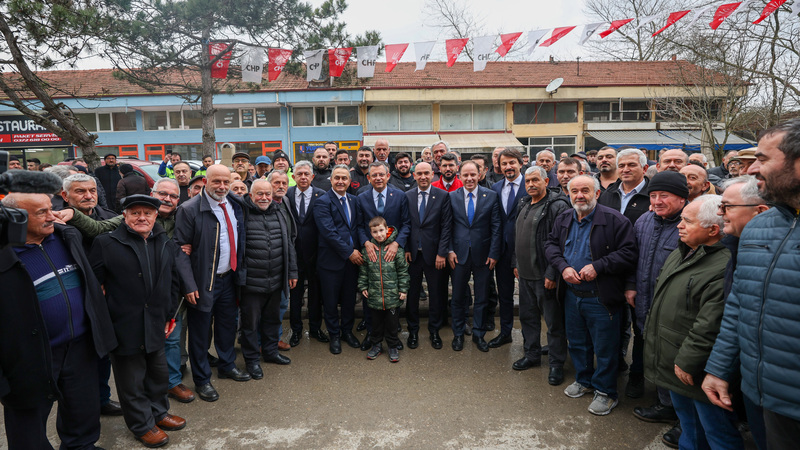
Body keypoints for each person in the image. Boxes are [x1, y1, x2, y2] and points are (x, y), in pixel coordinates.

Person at [703, 121, 800, 450]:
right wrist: (718, 368)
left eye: (763, 159)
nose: (752, 168)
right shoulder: (758, 229)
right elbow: (740, 306)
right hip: (761, 396)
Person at [0, 192, 117, 449]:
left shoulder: (67, 238)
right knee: (28, 422)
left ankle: (81, 445)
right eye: (41, 212)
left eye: (50, 208)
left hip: (80, 347)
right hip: (30, 357)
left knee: (82, 409)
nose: (51, 215)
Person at [90, 194, 190, 448]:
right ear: (124, 216)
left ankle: (158, 413)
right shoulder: (106, 243)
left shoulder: (164, 242)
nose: (142, 218)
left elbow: (172, 282)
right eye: (135, 213)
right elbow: (94, 285)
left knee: (158, 375)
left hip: (157, 321)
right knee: (131, 381)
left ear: (156, 216)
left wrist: (170, 315)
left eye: (147, 213)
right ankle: (142, 425)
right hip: (124, 324)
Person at [643, 195, 741, 450]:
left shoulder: (723, 266)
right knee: (690, 427)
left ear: (713, 230)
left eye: (687, 220)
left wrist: (688, 361)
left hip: (698, 370)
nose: (679, 225)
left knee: (717, 433)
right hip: (677, 363)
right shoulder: (684, 251)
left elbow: (711, 324)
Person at [544, 175, 637, 416]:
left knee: (605, 347)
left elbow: (629, 253)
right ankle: (584, 381)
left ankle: (606, 392)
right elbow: (551, 245)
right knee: (577, 343)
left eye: (585, 190)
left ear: (597, 193)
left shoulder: (615, 220)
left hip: (601, 296)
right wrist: (563, 267)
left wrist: (599, 266)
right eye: (574, 191)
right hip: (573, 294)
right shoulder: (564, 217)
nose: (579, 196)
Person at [174, 164, 250, 402]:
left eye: (226, 182)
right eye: (216, 181)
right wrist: (189, 285)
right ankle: (202, 379)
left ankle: (227, 365)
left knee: (227, 326)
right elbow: (180, 251)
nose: (222, 186)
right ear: (205, 182)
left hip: (229, 279)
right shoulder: (189, 209)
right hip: (203, 282)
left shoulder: (235, 204)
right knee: (199, 333)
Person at [511, 166, 570, 384]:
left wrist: (552, 273)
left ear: (546, 181)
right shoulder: (525, 203)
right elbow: (518, 235)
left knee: (554, 323)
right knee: (528, 318)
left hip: (545, 276)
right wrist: (515, 263)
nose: (531, 185)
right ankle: (532, 355)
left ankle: (556, 364)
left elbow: (561, 242)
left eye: (535, 180)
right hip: (524, 275)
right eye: (527, 181)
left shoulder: (557, 206)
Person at [239, 179, 298, 377]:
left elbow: (288, 244)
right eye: (259, 194)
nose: (264, 198)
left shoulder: (279, 212)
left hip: (276, 280)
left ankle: (271, 352)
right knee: (250, 325)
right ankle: (252, 360)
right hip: (252, 284)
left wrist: (292, 272)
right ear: (251, 195)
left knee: (273, 321)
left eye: (267, 194)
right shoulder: (243, 214)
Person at [356, 161, 411, 349]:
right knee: (371, 296)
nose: (378, 178)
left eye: (382, 174)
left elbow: (406, 224)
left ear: (388, 176)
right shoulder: (361, 197)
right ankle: (372, 335)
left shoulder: (400, 196)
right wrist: (366, 243)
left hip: (392, 252)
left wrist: (396, 244)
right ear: (369, 177)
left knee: (392, 297)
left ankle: (392, 337)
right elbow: (358, 224)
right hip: (371, 252)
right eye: (374, 175)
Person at [448, 160, 501, 352]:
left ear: (480, 175)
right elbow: (448, 227)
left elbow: (496, 228)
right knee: (458, 297)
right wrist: (450, 250)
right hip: (459, 255)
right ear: (459, 177)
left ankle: (478, 334)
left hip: (484, 256)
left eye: (473, 174)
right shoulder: (452, 197)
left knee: (482, 297)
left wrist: (494, 253)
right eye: (465, 175)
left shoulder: (491, 196)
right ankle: (459, 334)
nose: (469, 178)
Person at [314, 165, 364, 354]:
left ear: (349, 181)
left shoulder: (354, 200)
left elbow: (358, 226)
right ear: (331, 180)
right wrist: (349, 252)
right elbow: (329, 232)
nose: (341, 181)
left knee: (349, 299)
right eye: (337, 178)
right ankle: (334, 335)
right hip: (331, 261)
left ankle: (346, 332)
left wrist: (358, 250)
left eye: (344, 178)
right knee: (330, 301)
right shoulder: (323, 201)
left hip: (353, 261)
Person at [404, 162, 452, 350]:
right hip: (413, 255)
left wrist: (442, 253)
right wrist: (407, 248)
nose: (423, 176)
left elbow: (446, 226)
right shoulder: (406, 196)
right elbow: (405, 224)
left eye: (426, 173)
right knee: (413, 294)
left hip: (435, 255)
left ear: (433, 174)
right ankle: (413, 331)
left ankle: (434, 330)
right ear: (414, 175)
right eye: (419, 173)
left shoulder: (442, 196)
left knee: (436, 294)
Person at [286, 161, 329, 346]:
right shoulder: (286, 195)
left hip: (315, 254)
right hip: (293, 255)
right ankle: (296, 330)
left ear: (312, 177)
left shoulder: (322, 195)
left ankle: (315, 328)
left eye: (306, 174)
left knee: (315, 294)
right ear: (293, 177)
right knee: (295, 295)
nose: (303, 177)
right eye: (299, 174)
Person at [489, 148, 526, 348]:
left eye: (512, 162)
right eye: (504, 163)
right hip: (502, 252)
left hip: (524, 252)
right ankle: (505, 332)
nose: (508, 167)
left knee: (528, 299)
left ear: (521, 164)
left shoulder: (530, 185)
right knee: (504, 295)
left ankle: (530, 339)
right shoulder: (495, 188)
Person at [358, 216, 410, 362]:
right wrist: (363, 286)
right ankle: (376, 345)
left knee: (392, 323)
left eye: (381, 230)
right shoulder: (367, 251)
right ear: (370, 233)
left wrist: (403, 289)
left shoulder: (397, 250)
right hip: (374, 296)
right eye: (375, 232)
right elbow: (364, 272)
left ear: (387, 230)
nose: (379, 234)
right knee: (376, 324)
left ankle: (392, 345)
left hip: (392, 296)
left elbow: (403, 271)